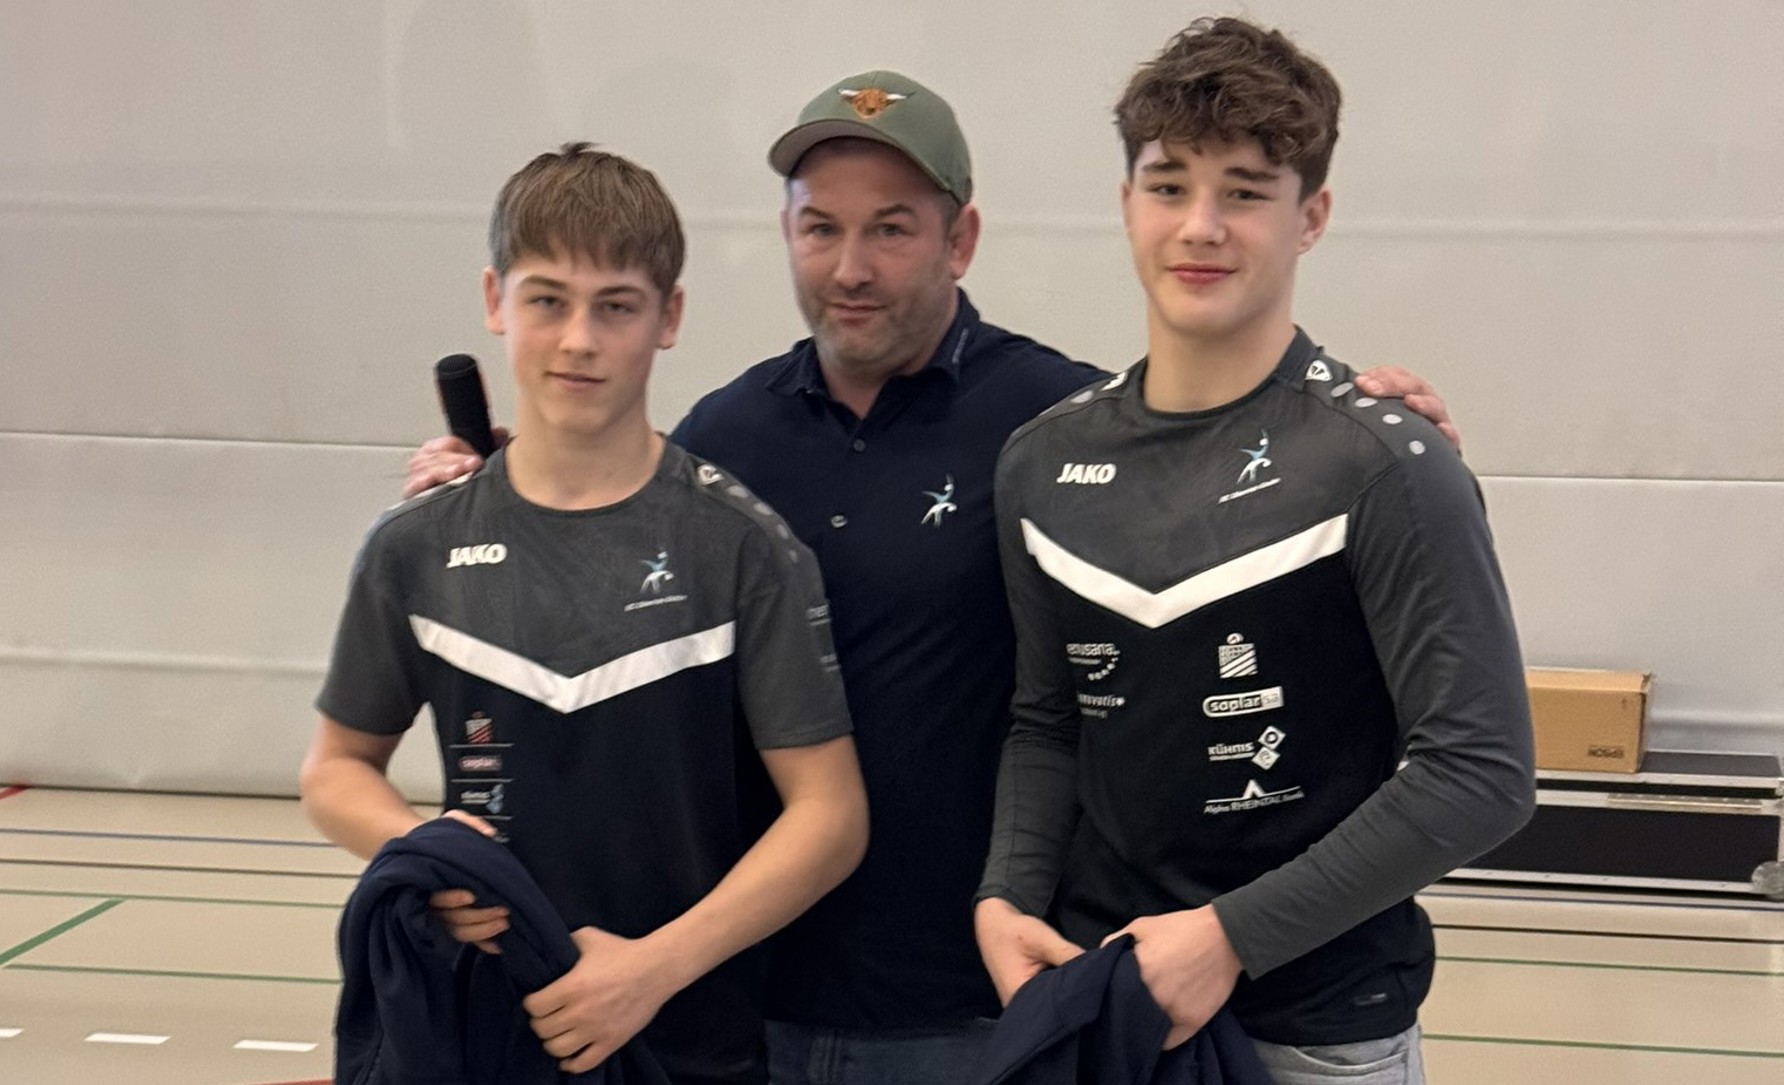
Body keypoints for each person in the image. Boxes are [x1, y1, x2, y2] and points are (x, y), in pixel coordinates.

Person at [405, 75, 1461, 1085]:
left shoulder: (1058, 428)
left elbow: (1230, 523)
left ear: (961, 239)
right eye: (821, 228)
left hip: (987, 998)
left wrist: (1372, 430)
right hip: (749, 997)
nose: (850, 266)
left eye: (891, 229)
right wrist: (501, 489)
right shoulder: (724, 436)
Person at [972, 17, 1536, 1085]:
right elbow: (1048, 723)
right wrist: (1005, 895)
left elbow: (1481, 774)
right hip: (1108, 1003)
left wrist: (1230, 935)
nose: (1201, 225)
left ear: (1310, 216)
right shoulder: (1040, 463)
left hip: (1319, 1030)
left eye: (1244, 190)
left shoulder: (1385, 461)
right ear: (1127, 202)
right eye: (1169, 184)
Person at [300, 142, 868, 1085]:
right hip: (479, 1036)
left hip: (685, 1041)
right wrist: (425, 851)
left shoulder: (741, 545)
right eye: (547, 300)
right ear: (495, 300)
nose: (578, 340)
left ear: (668, 317)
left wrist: (654, 968)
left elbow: (831, 813)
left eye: (616, 306)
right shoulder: (415, 545)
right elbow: (335, 768)